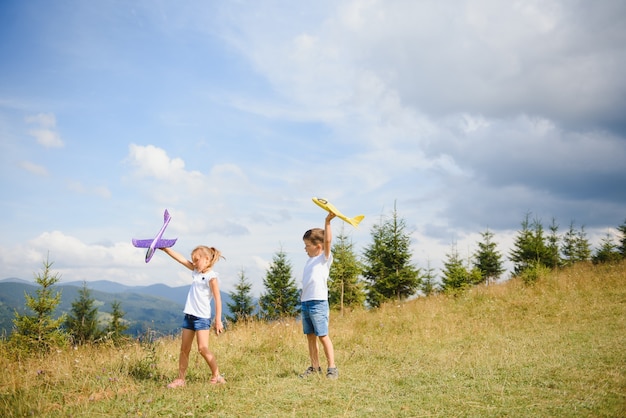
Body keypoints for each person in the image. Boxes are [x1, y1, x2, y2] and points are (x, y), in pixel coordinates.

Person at [161, 245, 226, 388]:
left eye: (196, 260)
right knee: (184, 349)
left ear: (207, 259)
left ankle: (217, 374)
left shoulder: (211, 277)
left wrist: (218, 320)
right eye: (193, 261)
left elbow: (217, 299)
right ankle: (181, 379)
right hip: (189, 316)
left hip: (202, 318)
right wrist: (165, 249)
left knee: (202, 348)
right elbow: (180, 260)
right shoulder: (196, 271)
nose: (194, 263)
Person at [299, 212, 338, 379]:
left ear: (318, 246)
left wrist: (327, 221)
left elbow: (328, 240)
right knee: (310, 337)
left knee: (322, 336)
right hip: (306, 303)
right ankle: (315, 367)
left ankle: (332, 368)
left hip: (318, 303)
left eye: (307, 245)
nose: (305, 248)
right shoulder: (309, 261)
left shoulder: (324, 258)